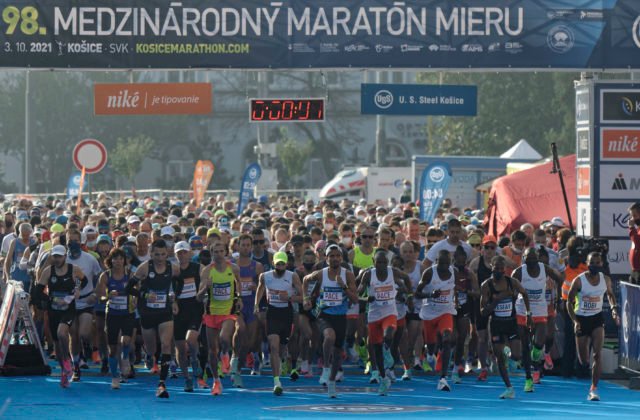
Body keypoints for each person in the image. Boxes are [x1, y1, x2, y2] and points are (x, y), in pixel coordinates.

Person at [303, 244, 358, 398]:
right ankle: (325, 367)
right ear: (326, 259)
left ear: (341, 258)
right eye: (331, 256)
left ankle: (332, 382)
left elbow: (355, 299)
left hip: (340, 316)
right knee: (329, 336)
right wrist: (306, 298)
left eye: (337, 256)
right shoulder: (321, 274)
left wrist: (344, 287)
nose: (334, 259)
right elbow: (306, 280)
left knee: (338, 352)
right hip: (324, 314)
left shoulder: (348, 275)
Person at [567, 252, 620, 401]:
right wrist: (575, 321)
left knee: (597, 354)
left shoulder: (606, 280)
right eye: (592, 263)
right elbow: (568, 302)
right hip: (581, 319)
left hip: (597, 319)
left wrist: (614, 310)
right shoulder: (579, 281)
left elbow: (610, 295)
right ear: (587, 263)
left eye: (597, 263)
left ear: (601, 264)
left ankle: (594, 389)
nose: (595, 266)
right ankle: (586, 366)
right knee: (584, 360)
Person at [358, 249, 411, 395]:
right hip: (374, 314)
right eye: (378, 262)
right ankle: (383, 378)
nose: (381, 265)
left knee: (389, 334)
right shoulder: (368, 274)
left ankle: (388, 353)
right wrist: (365, 298)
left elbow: (405, 279)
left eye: (384, 262)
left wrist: (406, 291)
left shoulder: (392, 272)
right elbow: (359, 292)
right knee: (376, 351)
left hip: (389, 311)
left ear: (387, 263)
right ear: (374, 263)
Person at [132, 239, 180, 398]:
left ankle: (161, 384)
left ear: (167, 254)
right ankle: (149, 354)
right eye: (157, 254)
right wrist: (145, 295)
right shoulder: (145, 267)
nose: (160, 258)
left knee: (166, 344)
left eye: (163, 254)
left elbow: (180, 282)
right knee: (152, 349)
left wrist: (175, 299)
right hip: (147, 313)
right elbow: (128, 288)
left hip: (165, 311)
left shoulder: (173, 268)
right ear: (151, 254)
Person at [33, 245, 84, 388]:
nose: (56, 259)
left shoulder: (73, 269)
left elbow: (83, 280)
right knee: (57, 344)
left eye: (59, 256)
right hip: (53, 310)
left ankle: (68, 360)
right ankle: (64, 370)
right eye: (54, 256)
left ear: (65, 257)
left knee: (62, 333)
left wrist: (76, 290)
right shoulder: (48, 271)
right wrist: (51, 299)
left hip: (68, 309)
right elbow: (37, 291)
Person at [480, 255, 531, 399]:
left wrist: (529, 314)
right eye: (496, 268)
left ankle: (508, 351)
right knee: (499, 358)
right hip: (496, 324)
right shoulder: (486, 285)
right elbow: (483, 312)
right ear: (491, 267)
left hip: (511, 322)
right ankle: (509, 388)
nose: (499, 271)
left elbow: (525, 294)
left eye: (502, 269)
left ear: (505, 270)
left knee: (516, 355)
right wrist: (496, 301)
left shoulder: (512, 282)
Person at [512, 248, 563, 392]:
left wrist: (559, 297)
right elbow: (512, 292)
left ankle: (537, 358)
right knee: (525, 347)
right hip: (522, 310)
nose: (532, 261)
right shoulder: (518, 272)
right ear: (523, 259)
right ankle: (529, 378)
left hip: (540, 310)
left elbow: (560, 278)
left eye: (534, 258)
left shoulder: (544, 269)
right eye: (528, 258)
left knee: (539, 344)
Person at [197, 240, 243, 396]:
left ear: (226, 252)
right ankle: (216, 381)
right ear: (211, 254)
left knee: (224, 338)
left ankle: (225, 356)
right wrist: (206, 287)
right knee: (211, 350)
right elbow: (198, 297)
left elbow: (238, 284)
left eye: (220, 251)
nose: (218, 254)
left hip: (228, 311)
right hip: (211, 313)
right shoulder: (206, 271)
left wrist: (239, 299)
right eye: (215, 252)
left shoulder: (234, 268)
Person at [254, 251, 303, 395]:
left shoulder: (292, 276)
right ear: (273, 263)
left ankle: (283, 360)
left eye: (282, 263)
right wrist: (256, 305)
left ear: (286, 264)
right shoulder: (265, 276)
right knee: (273, 347)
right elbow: (260, 289)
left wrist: (289, 297)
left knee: (282, 347)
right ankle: (277, 381)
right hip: (272, 314)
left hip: (287, 313)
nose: (280, 266)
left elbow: (303, 297)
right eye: (278, 263)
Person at [415, 249, 459, 391]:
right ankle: (429, 352)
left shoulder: (454, 272)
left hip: (446, 311)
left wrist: (456, 301)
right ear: (436, 262)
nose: (444, 266)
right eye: (441, 263)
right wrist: (430, 294)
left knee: (447, 339)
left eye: (447, 263)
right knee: (431, 345)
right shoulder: (429, 273)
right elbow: (417, 293)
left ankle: (443, 378)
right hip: (429, 313)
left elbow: (455, 288)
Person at [95, 248, 136, 389]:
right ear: (110, 261)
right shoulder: (105, 276)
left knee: (126, 340)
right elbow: (99, 297)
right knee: (112, 349)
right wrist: (108, 296)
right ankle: (115, 376)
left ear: (124, 260)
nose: (118, 261)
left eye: (120, 258)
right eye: (115, 259)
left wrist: (136, 298)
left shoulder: (130, 275)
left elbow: (138, 290)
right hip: (112, 314)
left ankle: (125, 359)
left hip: (127, 313)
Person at [232, 234, 263, 385]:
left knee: (249, 342)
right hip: (237, 305)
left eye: (247, 245)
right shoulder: (232, 265)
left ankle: (238, 367)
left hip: (252, 306)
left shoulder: (257, 266)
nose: (245, 248)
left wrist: (256, 287)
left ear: (251, 247)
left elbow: (263, 289)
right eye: (242, 245)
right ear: (237, 246)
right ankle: (234, 359)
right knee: (240, 329)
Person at [172, 241, 203, 392]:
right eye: (179, 253)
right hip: (178, 313)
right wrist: (173, 301)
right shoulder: (172, 271)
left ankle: (195, 359)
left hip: (195, 310)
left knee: (190, 339)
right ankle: (187, 378)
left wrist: (203, 294)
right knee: (180, 349)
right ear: (175, 255)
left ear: (190, 253)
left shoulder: (197, 268)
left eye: (184, 252)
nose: (182, 255)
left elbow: (206, 281)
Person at [451, 246, 479, 384]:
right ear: (454, 259)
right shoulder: (449, 271)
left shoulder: (469, 273)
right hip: (449, 307)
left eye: (463, 262)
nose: (460, 264)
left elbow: (477, 292)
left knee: (461, 338)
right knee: (451, 337)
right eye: (458, 261)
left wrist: (466, 291)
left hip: (464, 308)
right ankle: (446, 361)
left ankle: (456, 368)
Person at [629, 202, 640, 285]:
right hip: (635, 270)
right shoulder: (638, 229)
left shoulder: (634, 229)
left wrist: (631, 228)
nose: (632, 219)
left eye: (634, 216)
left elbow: (638, 242)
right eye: (631, 216)